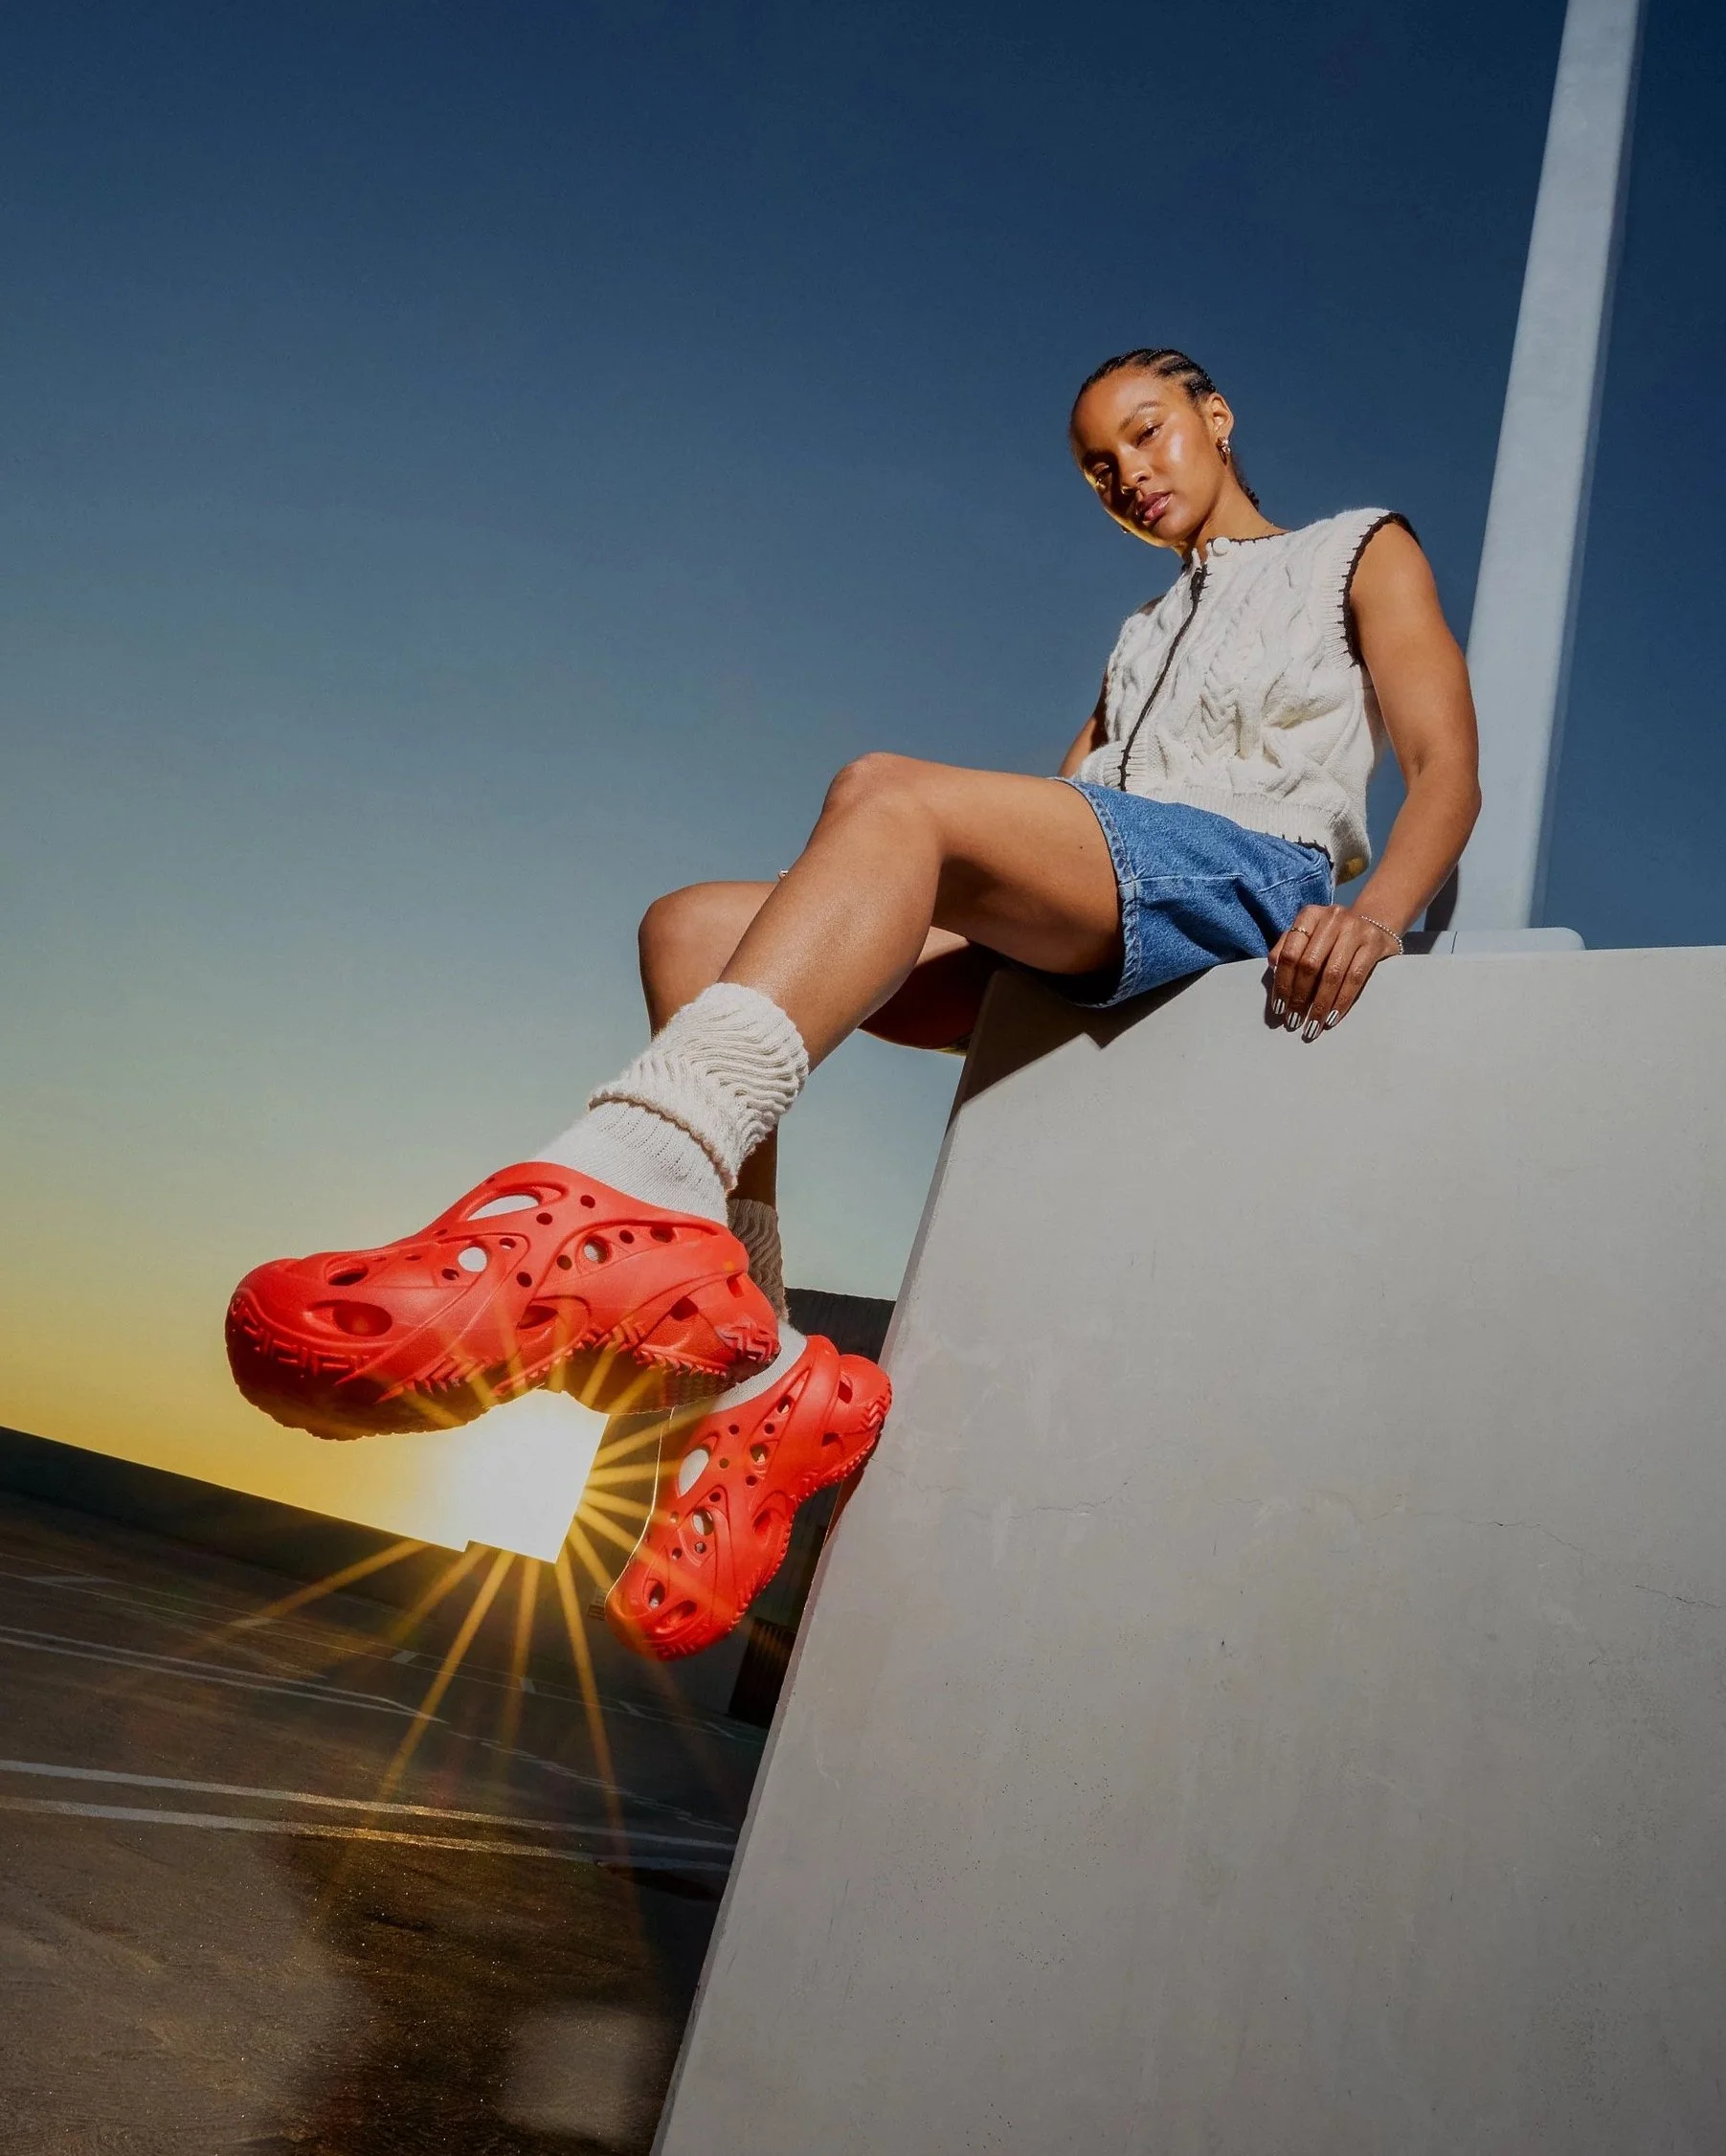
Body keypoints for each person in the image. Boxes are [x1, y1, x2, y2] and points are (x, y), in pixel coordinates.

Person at [226, 346, 1480, 1662]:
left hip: (1242, 876)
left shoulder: (1354, 549)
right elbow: (1065, 814)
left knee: (889, 789)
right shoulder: (1138, 637)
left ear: (1215, 418)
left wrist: (1376, 913)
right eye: (1098, 467)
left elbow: (1441, 761)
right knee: (691, 927)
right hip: (1108, 898)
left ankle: (629, 1176)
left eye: (1148, 432)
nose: (1128, 474)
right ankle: (748, 1363)